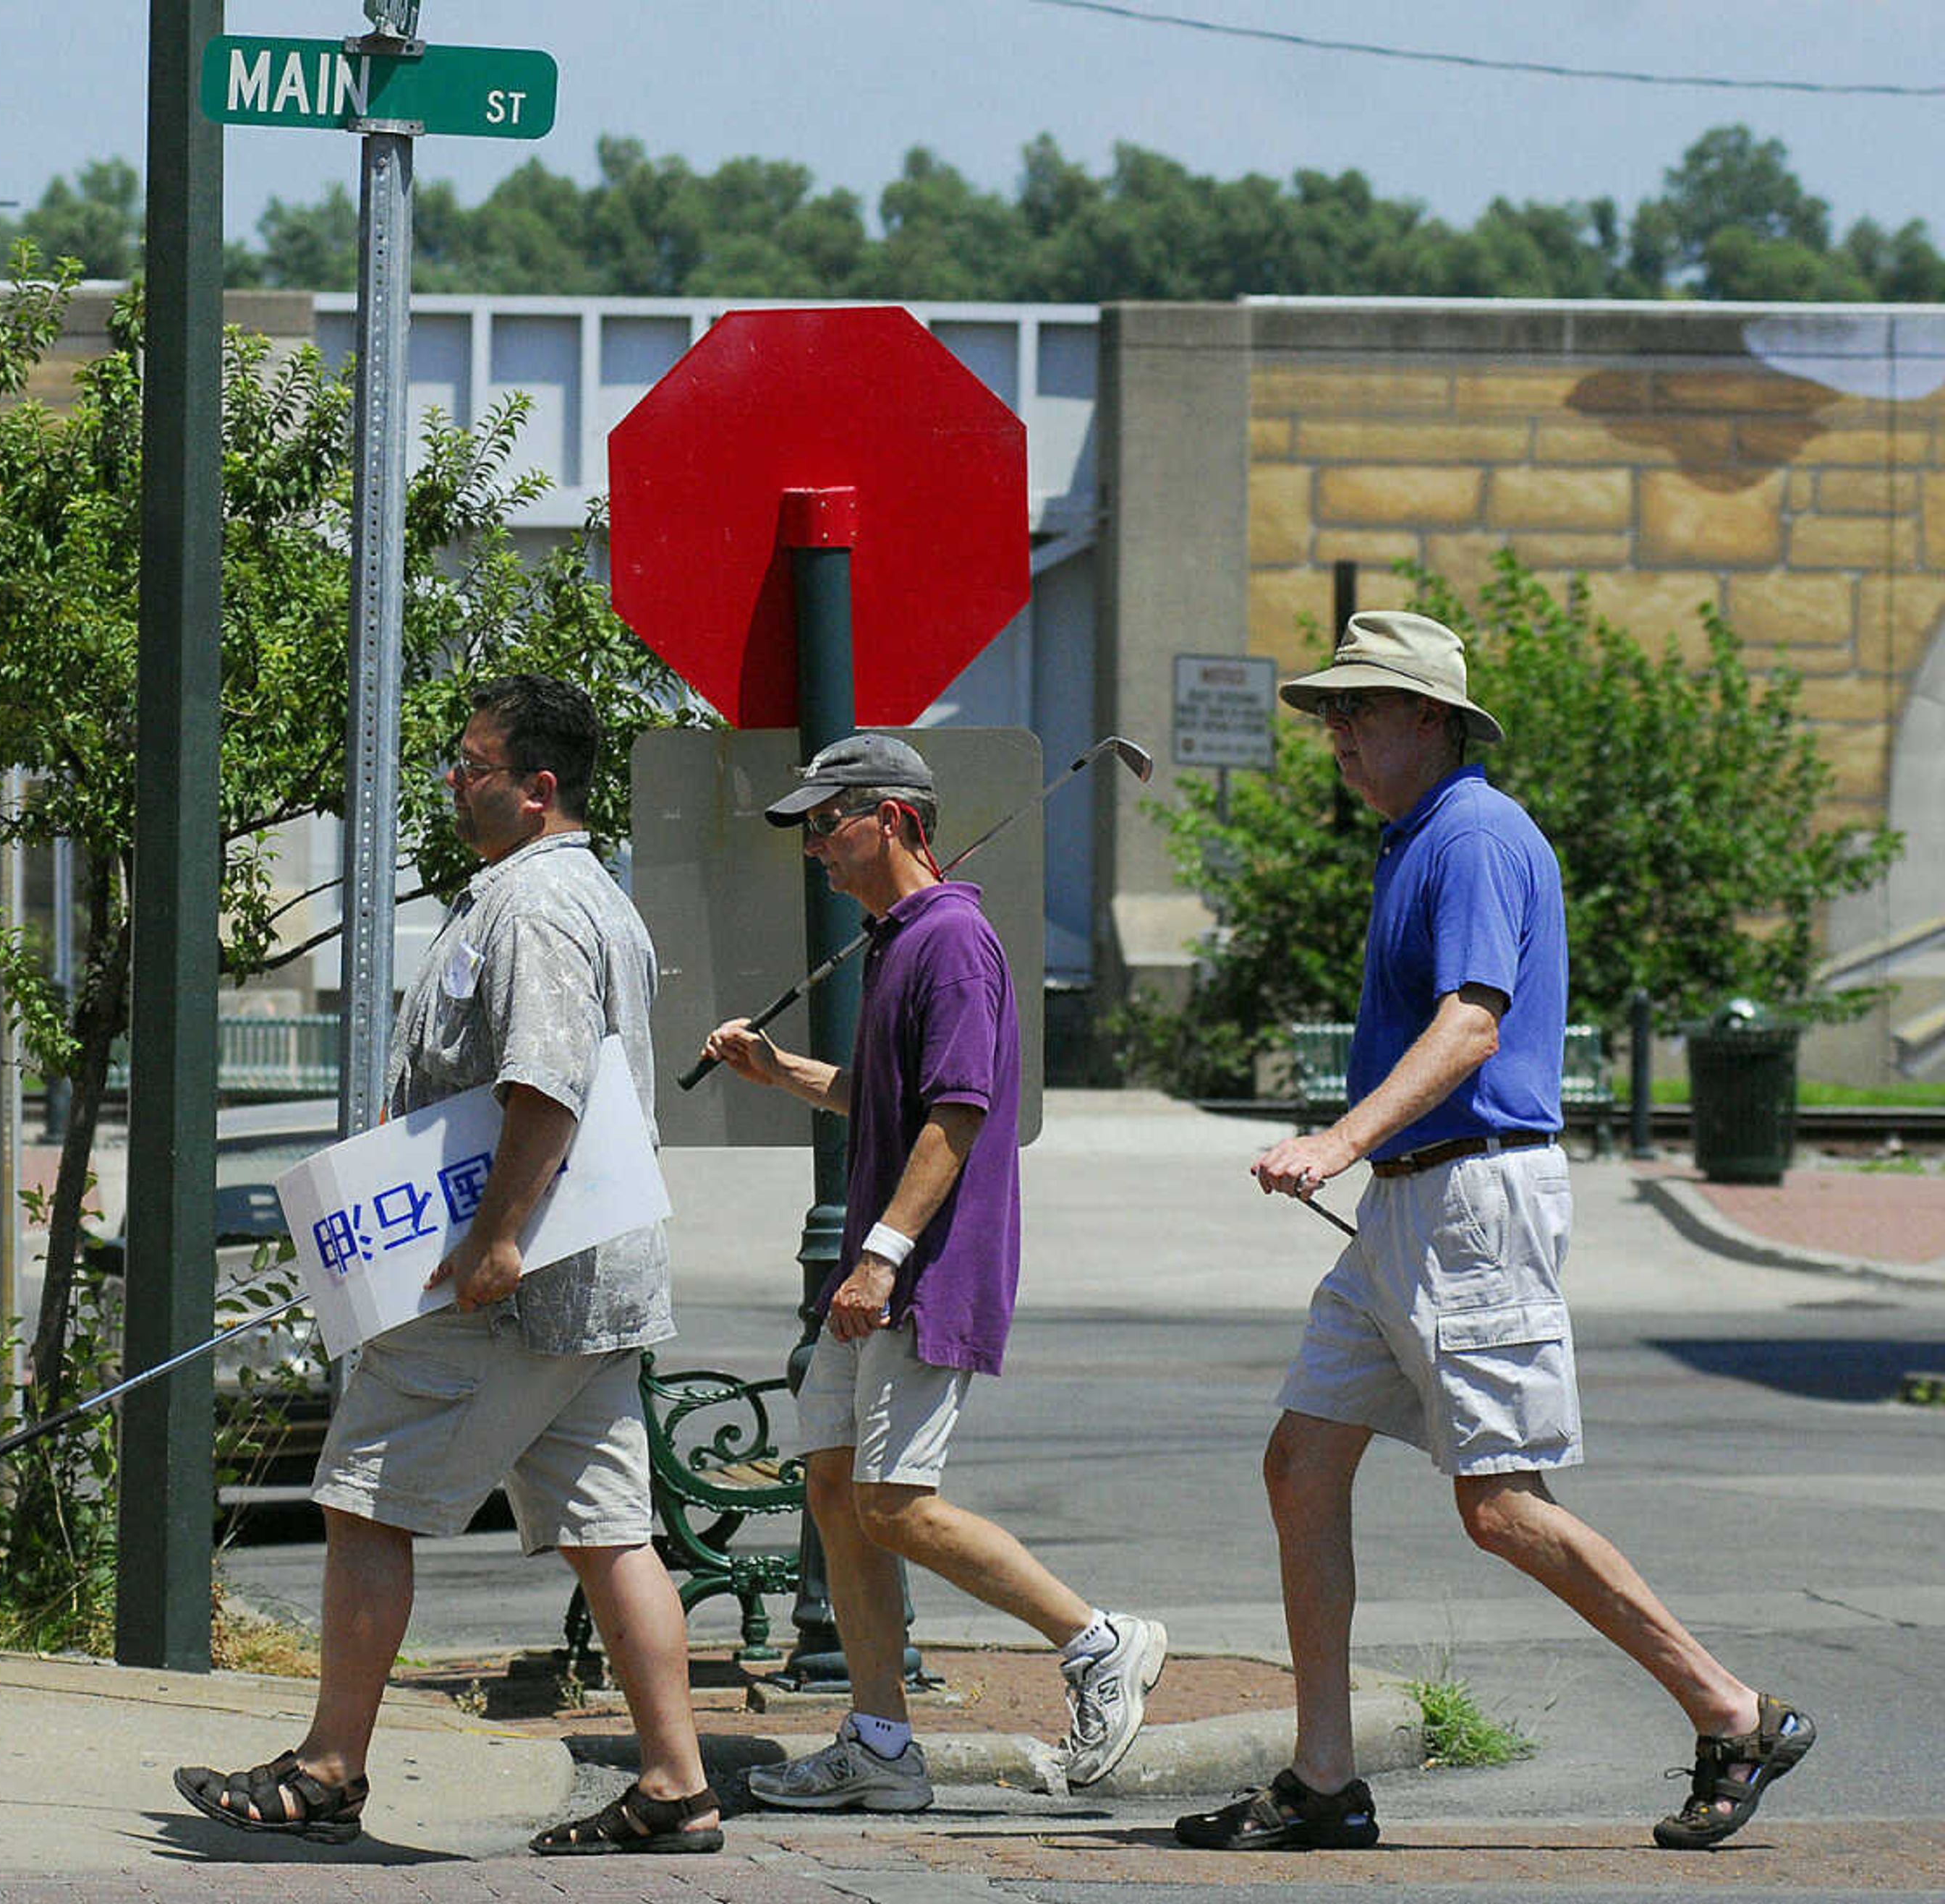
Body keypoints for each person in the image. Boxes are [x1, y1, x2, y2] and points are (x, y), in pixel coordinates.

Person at [1183, 611, 1815, 1853]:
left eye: (1361, 712)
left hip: (1471, 1201)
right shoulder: (1416, 837)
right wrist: (1369, 1161)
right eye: (1329, 715)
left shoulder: (1473, 833)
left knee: (1501, 1505)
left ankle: (1733, 1710)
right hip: (1412, 1205)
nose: (1338, 737)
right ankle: (1323, 1777)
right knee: (1301, 1465)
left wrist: (1338, 1139)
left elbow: (1474, 1022)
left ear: (1432, 718)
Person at [175, 675, 721, 1856]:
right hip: (592, 1288)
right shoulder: (594, 899)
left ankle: (328, 1769)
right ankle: (675, 1784)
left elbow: (546, 1084)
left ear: (538, 789)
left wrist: (497, 1239)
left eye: (472, 764)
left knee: (365, 1498)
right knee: (609, 1526)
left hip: (508, 1287)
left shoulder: (532, 910)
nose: (452, 781)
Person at [700, 733, 1170, 1811]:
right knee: (832, 1484)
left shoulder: (952, 941)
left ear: (896, 820)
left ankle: (1098, 1640)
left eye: (829, 821)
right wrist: (781, 1073)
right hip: (883, 1269)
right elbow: (893, 1099)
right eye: (807, 827)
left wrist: (878, 1257)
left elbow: (956, 1118)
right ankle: (879, 1743)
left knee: (896, 1502)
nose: (813, 844)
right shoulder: (900, 941)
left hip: (919, 1268)